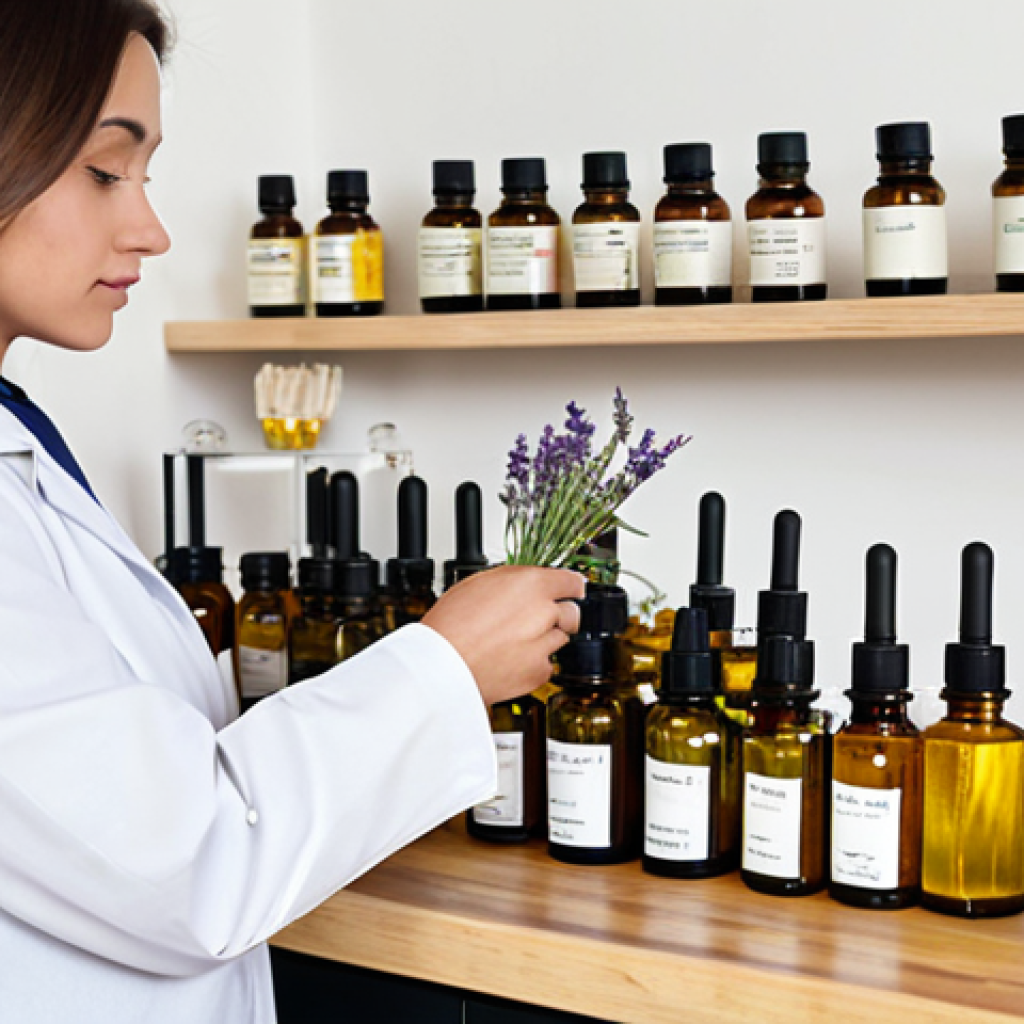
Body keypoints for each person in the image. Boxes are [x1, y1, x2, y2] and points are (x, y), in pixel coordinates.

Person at [0, 3, 584, 1021]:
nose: (151, 227)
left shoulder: (24, 446)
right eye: (104, 169)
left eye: (146, 174)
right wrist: (445, 666)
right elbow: (189, 859)